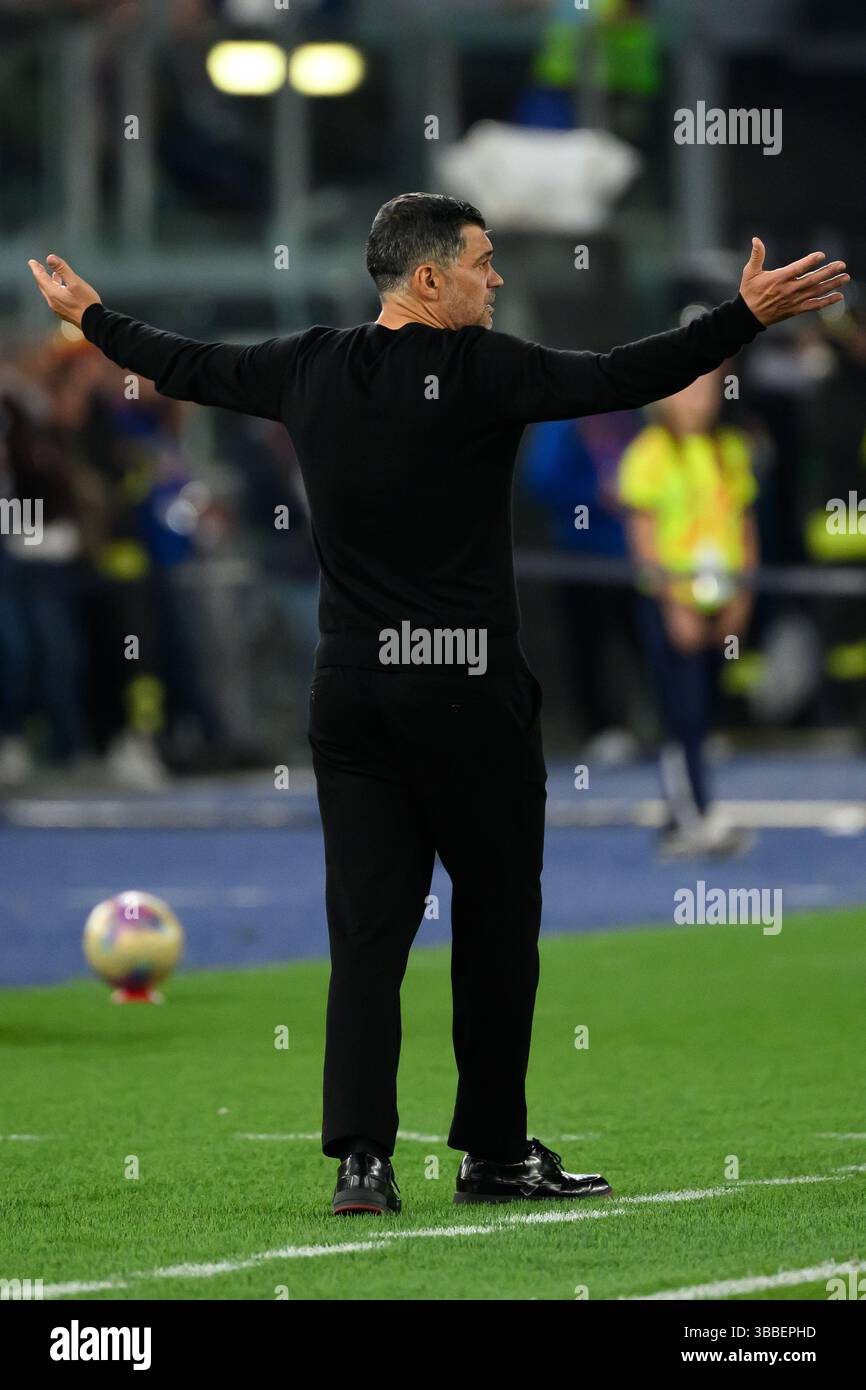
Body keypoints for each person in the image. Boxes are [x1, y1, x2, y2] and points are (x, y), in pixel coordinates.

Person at [28, 198, 848, 1216]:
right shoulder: (487, 372)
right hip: (468, 698)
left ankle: (361, 1160)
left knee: (366, 937)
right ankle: (493, 1153)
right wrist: (742, 318)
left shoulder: (309, 364)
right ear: (429, 280)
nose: (494, 281)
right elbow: (623, 372)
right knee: (495, 927)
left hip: (355, 696)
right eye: (482, 263)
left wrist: (92, 317)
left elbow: (184, 362)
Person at [619, 367, 760, 855]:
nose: (701, 400)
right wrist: (674, 604)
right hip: (670, 604)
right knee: (681, 712)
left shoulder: (729, 449)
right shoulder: (649, 454)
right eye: (689, 389)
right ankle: (685, 816)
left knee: (705, 711)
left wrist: (741, 596)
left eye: (709, 388)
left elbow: (743, 524)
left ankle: (701, 806)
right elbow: (643, 538)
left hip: (719, 600)